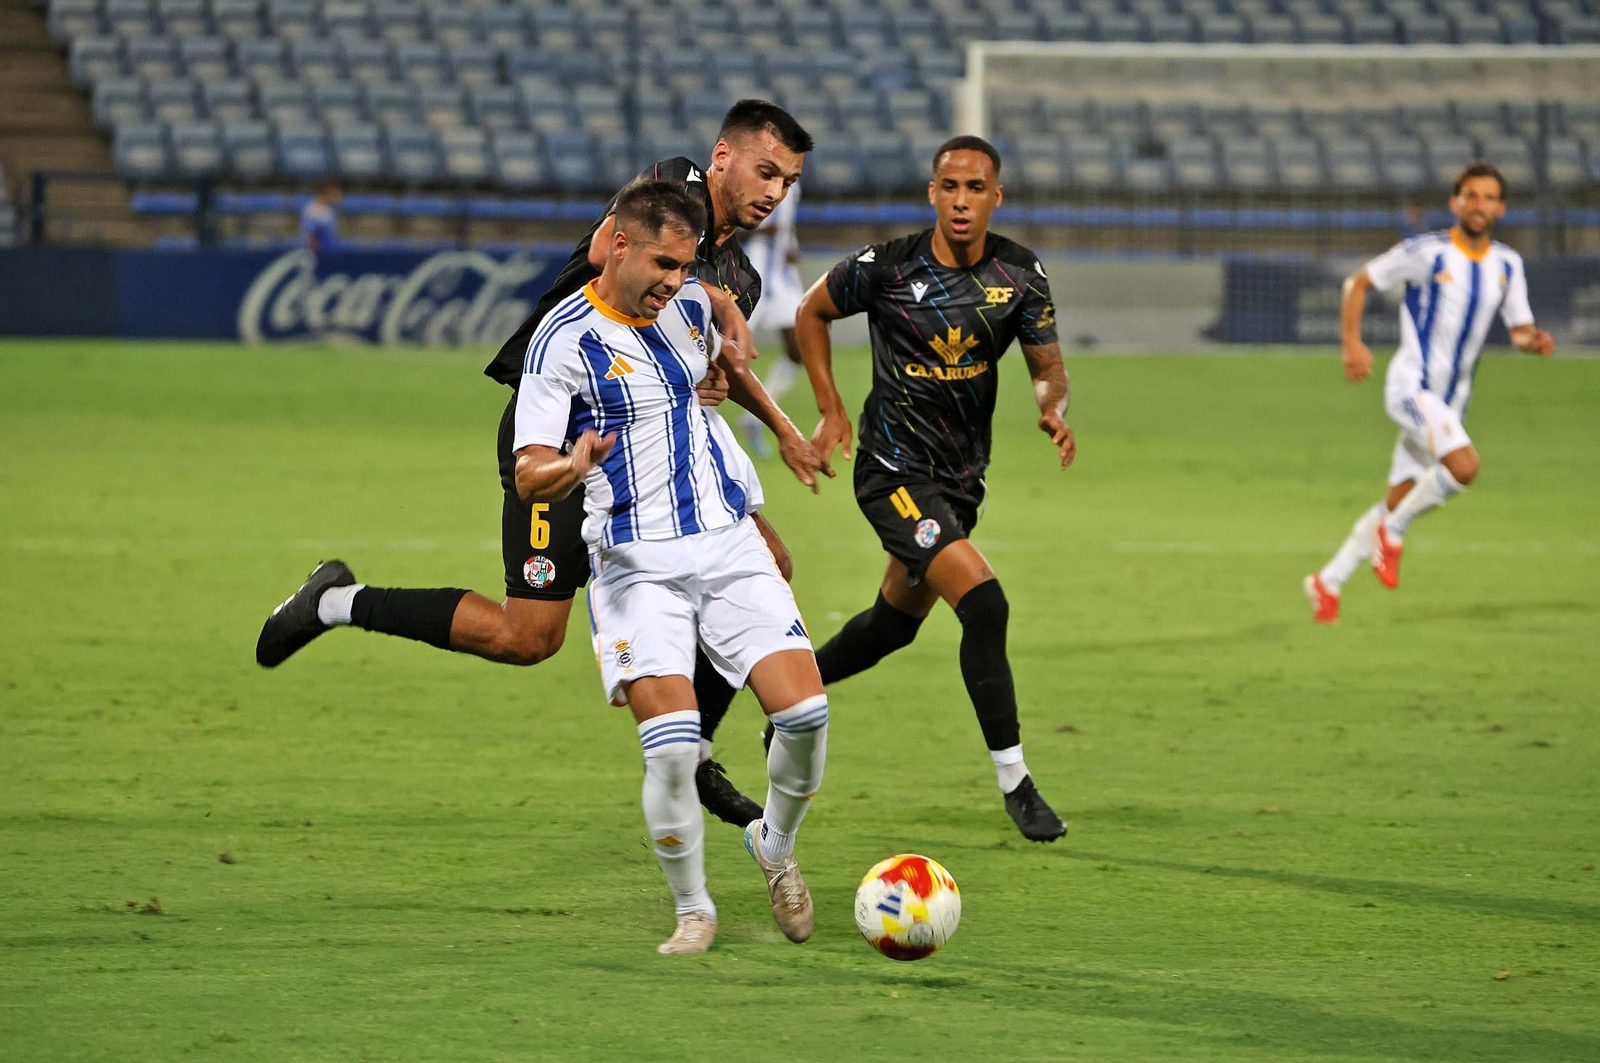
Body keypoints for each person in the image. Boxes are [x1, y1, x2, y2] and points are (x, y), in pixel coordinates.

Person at [256, 101, 818, 829]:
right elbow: (600, 257)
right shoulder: (667, 189)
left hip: (650, 455)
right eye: (766, 170)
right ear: (721, 156)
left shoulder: (741, 275)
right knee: (528, 637)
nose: (775, 191)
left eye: (789, 180)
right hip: (560, 431)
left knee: (766, 557)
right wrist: (705, 295)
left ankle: (701, 747)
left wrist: (778, 422)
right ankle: (336, 600)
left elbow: (721, 362)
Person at [703, 136, 1076, 842]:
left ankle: (787, 697)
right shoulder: (889, 267)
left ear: (996, 197)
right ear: (931, 194)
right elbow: (811, 311)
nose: (961, 200)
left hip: (961, 479)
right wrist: (831, 405)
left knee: (891, 627)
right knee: (984, 604)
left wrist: (1051, 404)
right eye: (949, 186)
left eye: (976, 187)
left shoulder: (1020, 275)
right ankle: (1016, 781)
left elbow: (1047, 362)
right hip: (893, 472)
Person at [514, 180, 828, 954]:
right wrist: (570, 464)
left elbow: (707, 397)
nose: (672, 280)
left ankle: (773, 844)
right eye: (662, 262)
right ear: (616, 242)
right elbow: (527, 472)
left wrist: (763, 479)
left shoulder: (689, 308)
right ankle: (695, 909)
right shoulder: (560, 340)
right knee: (675, 743)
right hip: (634, 561)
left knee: (806, 716)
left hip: (726, 542)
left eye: (685, 266)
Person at [1305, 162, 1555, 623]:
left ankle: (1328, 580)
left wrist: (1532, 342)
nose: (1479, 205)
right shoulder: (1427, 252)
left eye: (1489, 197)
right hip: (1411, 388)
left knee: (1399, 497)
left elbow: (1518, 329)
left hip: (1450, 403)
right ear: (1455, 202)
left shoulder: (1507, 264)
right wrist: (1351, 344)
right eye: (1471, 196)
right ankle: (1392, 533)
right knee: (1464, 467)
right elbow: (1358, 282)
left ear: (1500, 208)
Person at [737, 181, 805, 455]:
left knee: (798, 349)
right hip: (753, 273)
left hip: (782, 276)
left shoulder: (794, 183)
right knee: (727, 350)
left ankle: (753, 419)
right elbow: (729, 222)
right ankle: (691, 416)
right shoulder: (756, 175)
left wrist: (789, 243)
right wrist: (761, 230)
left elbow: (785, 222)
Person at [298, 180, 341, 251]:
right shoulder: (311, 209)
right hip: (317, 250)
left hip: (330, 248)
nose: (336, 198)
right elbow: (311, 235)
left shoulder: (329, 210)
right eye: (334, 195)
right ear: (325, 194)